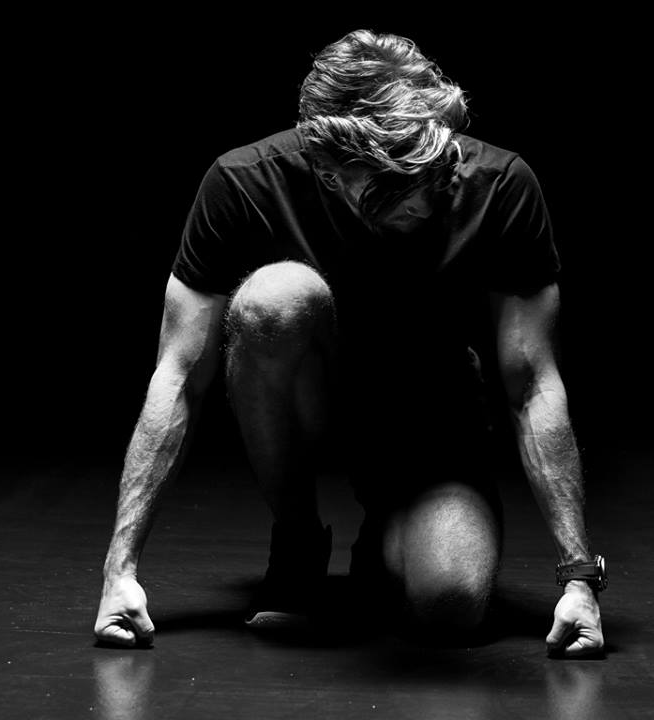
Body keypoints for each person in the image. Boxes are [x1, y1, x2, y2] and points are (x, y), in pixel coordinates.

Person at [94, 29, 606, 657]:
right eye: (394, 188)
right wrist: (120, 570)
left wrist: (578, 576)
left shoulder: (501, 184)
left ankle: (387, 527)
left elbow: (532, 383)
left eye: (433, 172)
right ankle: (298, 537)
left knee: (450, 605)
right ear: (330, 172)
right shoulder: (243, 182)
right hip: (309, 408)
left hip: (432, 420)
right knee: (276, 297)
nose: (426, 198)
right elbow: (178, 377)